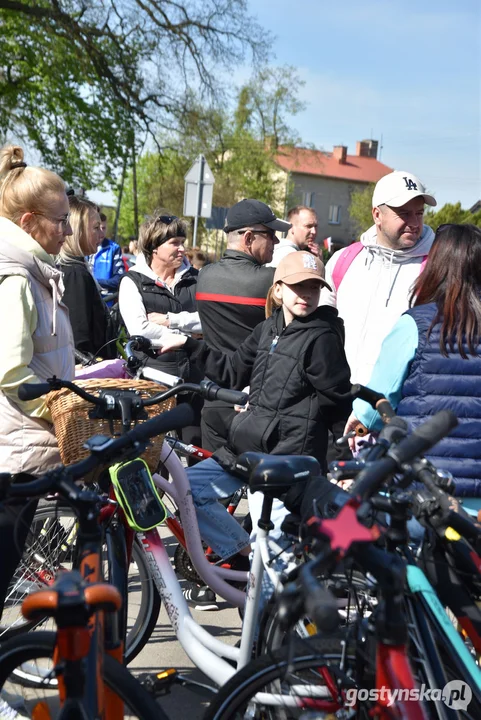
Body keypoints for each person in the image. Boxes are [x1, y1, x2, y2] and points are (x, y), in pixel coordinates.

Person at [161, 251, 352, 609]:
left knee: (276, 569)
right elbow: (233, 370)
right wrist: (190, 345)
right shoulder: (269, 328)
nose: (306, 295)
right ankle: (245, 554)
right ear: (278, 289)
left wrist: (342, 461)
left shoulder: (322, 337)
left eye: (313, 288)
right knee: (188, 492)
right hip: (246, 451)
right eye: (298, 287)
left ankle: (268, 644)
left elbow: (339, 402)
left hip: (287, 464)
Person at [345, 224, 481, 500]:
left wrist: (358, 421)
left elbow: (375, 406)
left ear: (437, 265)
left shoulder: (416, 325)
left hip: (425, 490)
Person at [0, 144, 75, 637]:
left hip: (26, 445)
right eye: (62, 219)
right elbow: (9, 372)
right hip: (18, 451)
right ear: (30, 222)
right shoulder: (18, 278)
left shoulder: (32, 271)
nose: (68, 230)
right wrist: (63, 404)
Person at [321, 170, 437, 385]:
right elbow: (318, 327)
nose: (414, 222)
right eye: (404, 213)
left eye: (419, 213)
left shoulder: (437, 267)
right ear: (377, 215)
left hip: (397, 407)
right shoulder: (344, 260)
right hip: (337, 397)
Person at [195, 198, 290, 451]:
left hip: (213, 399)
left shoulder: (203, 276)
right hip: (255, 404)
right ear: (248, 238)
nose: (277, 242)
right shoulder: (272, 282)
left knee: (209, 483)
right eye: (270, 234)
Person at [118, 211, 203, 447]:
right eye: (174, 243)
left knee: (194, 452)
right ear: (153, 247)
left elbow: (209, 321)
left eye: (183, 243)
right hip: (154, 383)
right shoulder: (132, 281)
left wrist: (172, 320)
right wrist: (189, 336)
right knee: (154, 456)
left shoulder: (197, 279)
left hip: (193, 382)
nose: (182, 249)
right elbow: (140, 330)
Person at [58, 196, 115, 359]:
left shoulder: (76, 269)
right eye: (96, 228)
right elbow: (78, 338)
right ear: (77, 230)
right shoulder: (75, 274)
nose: (101, 234)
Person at [88, 212, 126, 292]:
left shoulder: (114, 248)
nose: (101, 232)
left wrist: (95, 282)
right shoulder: (85, 247)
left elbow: (119, 279)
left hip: (107, 301)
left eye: (104, 228)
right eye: (97, 228)